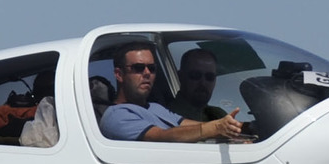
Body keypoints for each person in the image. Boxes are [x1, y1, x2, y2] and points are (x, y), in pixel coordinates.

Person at [98, 42, 243, 143]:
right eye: (139, 68)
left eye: (152, 68)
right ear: (119, 74)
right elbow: (162, 136)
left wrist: (232, 131)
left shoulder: (155, 108)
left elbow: (188, 125)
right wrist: (216, 127)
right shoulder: (116, 115)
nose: (147, 73)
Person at [170, 48, 233, 125]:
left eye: (210, 77)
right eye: (195, 75)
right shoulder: (167, 116)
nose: (203, 83)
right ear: (180, 76)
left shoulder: (219, 116)